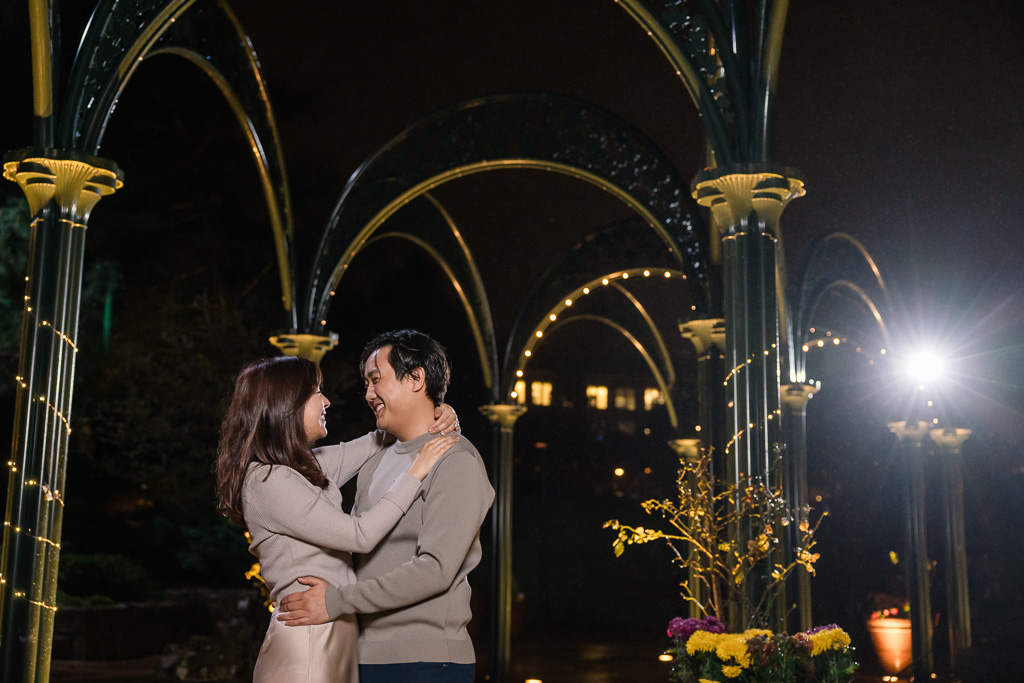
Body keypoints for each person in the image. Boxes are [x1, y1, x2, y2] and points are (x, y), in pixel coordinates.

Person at [215, 355, 460, 683]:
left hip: (333, 633)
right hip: (308, 641)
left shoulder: (304, 467)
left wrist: (437, 413)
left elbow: (379, 440)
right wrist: (417, 470)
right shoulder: (267, 481)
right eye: (316, 392)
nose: (326, 400)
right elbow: (361, 535)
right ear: (286, 404)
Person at [279, 330, 494, 683]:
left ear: (416, 378)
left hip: (427, 660)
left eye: (376, 379)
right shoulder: (375, 458)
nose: (368, 393)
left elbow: (436, 570)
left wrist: (336, 601)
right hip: (363, 656)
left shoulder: (456, 460)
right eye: (366, 382)